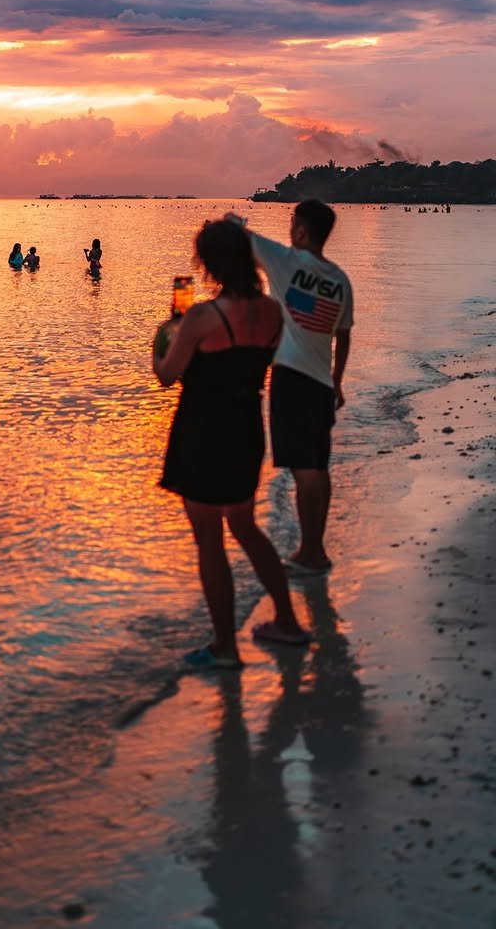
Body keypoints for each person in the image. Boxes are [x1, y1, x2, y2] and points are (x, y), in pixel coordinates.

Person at [153, 219, 310, 669]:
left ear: (207, 263)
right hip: (245, 429)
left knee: (210, 540)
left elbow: (166, 375)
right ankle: (287, 621)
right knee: (245, 526)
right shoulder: (274, 313)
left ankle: (225, 649)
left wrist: (164, 336)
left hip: (202, 431)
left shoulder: (203, 317)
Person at [229, 201, 353, 576]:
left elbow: (235, 233)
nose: (289, 231)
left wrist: (235, 220)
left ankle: (311, 553)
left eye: (292, 224)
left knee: (303, 469)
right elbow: (343, 336)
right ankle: (317, 546)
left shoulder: (286, 261)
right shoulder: (339, 279)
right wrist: (337, 381)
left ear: (301, 231)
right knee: (318, 465)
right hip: (320, 382)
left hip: (292, 378)